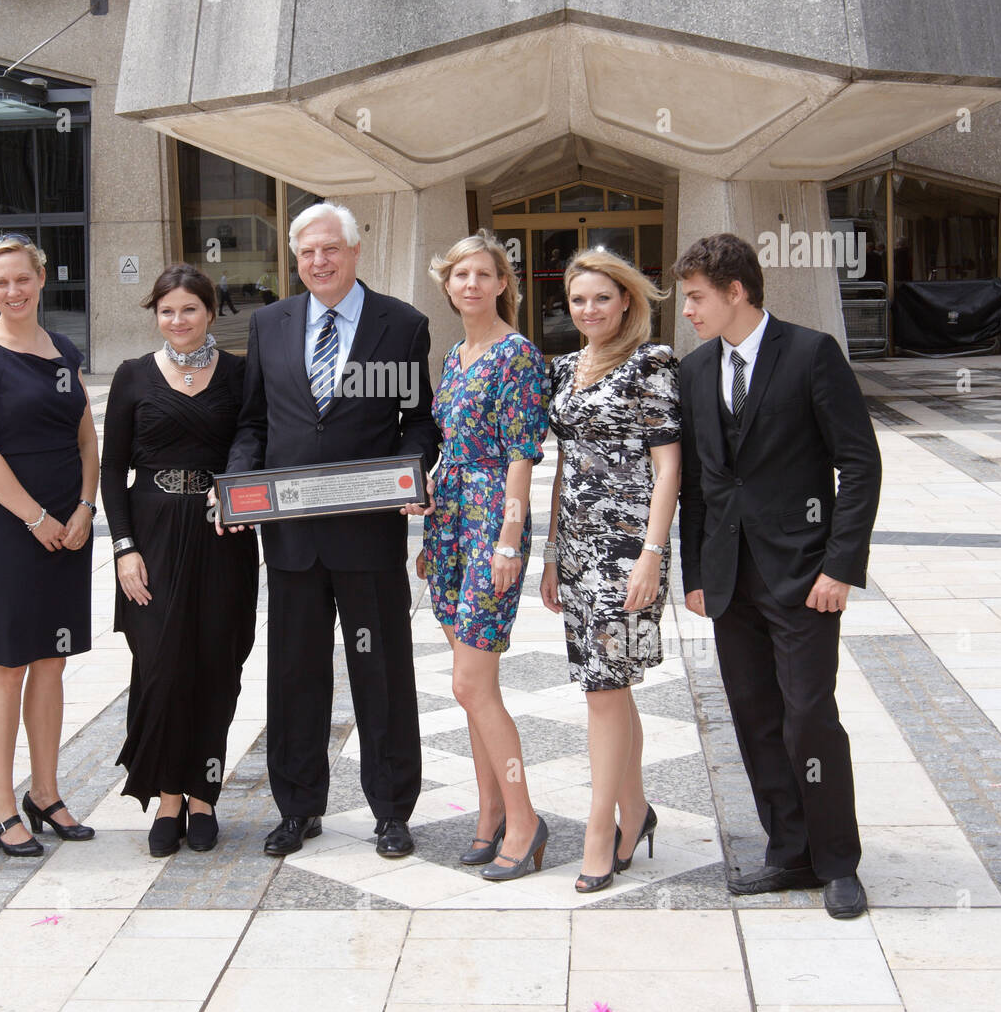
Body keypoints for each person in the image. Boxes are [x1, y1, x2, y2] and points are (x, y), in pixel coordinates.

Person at [673, 233, 881, 919]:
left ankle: (838, 861)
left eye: (698, 298)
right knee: (756, 718)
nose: (690, 312)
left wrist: (841, 566)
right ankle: (788, 852)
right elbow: (701, 483)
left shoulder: (812, 353)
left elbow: (860, 463)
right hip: (731, 581)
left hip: (803, 576)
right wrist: (698, 570)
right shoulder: (696, 370)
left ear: (737, 291)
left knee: (809, 719)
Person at [222, 202, 439, 858]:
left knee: (382, 674)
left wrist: (411, 473)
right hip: (289, 541)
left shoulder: (400, 325)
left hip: (367, 537)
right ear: (296, 258)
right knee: (294, 677)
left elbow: (417, 421)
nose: (319, 261)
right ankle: (297, 808)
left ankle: (393, 811)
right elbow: (253, 421)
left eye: (331, 250)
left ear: (354, 251)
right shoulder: (270, 324)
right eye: (308, 252)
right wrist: (235, 485)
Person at [101, 264, 258, 856]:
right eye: (167, 311)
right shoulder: (133, 376)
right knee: (161, 668)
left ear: (211, 313)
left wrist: (234, 484)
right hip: (152, 538)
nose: (178, 320)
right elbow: (112, 468)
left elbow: (254, 440)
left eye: (189, 309)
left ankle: (203, 795)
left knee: (216, 665)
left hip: (223, 536)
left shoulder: (241, 375)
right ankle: (167, 793)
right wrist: (123, 547)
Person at [0, 234, 99, 856]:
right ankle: (0, 804)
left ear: (42, 280)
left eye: (23, 279)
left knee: (53, 660)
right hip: (9, 530)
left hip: (69, 528)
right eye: (1, 282)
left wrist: (86, 506)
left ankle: (46, 791)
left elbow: (87, 437)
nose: (13, 291)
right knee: (8, 664)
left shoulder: (63, 348)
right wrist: (37, 517)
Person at [540, 250, 681, 892]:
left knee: (602, 688)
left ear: (626, 300)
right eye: (578, 300)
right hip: (575, 550)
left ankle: (600, 834)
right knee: (609, 688)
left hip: (627, 552)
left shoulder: (651, 364)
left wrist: (652, 555)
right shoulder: (566, 369)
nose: (589, 309)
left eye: (602, 298)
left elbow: (669, 468)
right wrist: (548, 552)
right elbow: (564, 464)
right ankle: (635, 813)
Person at [419, 232, 550, 880]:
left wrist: (509, 534)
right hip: (447, 519)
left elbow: (523, 453)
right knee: (476, 690)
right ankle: (488, 813)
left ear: (503, 283)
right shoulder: (456, 354)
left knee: (471, 683)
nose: (470, 283)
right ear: (448, 287)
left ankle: (525, 822)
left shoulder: (518, 355)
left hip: (493, 515)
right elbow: (447, 446)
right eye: (459, 274)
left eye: (483, 273)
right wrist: (426, 529)